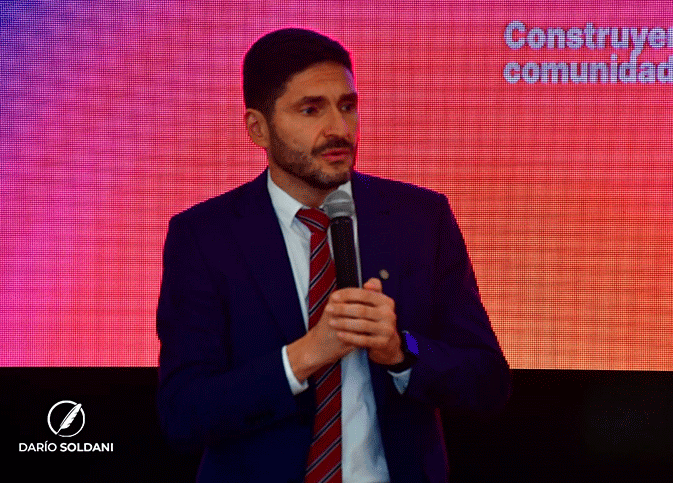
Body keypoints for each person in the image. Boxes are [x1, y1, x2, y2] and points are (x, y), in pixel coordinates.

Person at [156, 28, 510, 483]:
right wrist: (303, 356)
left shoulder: (421, 219)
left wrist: (402, 350)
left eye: (347, 106)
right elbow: (183, 414)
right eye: (310, 110)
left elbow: (488, 381)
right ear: (257, 128)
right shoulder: (205, 236)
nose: (339, 130)